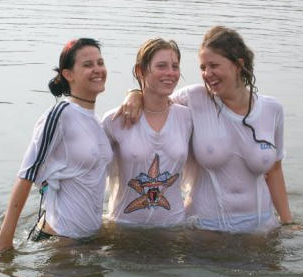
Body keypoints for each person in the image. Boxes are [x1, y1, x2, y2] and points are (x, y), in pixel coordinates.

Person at [118, 26, 293, 233]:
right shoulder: (194, 99)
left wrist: (287, 222)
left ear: (238, 65)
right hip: (204, 228)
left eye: (214, 65)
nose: (207, 74)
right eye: (202, 67)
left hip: (260, 227)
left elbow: (274, 171)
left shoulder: (272, 110)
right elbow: (155, 101)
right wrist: (134, 95)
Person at [0, 38, 113, 251]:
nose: (97, 69)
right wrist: (5, 238)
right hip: (59, 242)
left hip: (88, 242)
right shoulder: (59, 116)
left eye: (100, 62)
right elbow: (26, 174)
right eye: (87, 64)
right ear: (68, 74)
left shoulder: (97, 121)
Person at [103, 38, 192, 226]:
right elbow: (90, 174)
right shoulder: (114, 121)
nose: (170, 73)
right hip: (124, 227)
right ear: (140, 71)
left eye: (175, 66)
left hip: (173, 228)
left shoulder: (187, 118)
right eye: (161, 66)